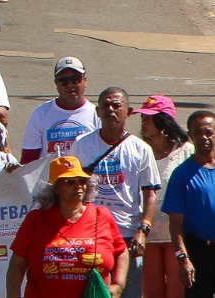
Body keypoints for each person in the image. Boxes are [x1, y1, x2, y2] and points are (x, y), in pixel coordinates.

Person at [73, 87, 164, 284]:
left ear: (129, 112)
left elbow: (150, 195)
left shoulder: (141, 149)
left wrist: (143, 231)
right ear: (97, 112)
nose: (110, 110)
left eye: (116, 105)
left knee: (127, 290)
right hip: (90, 233)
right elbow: (69, 188)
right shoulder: (81, 145)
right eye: (105, 105)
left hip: (127, 235)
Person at [10, 155, 130, 298]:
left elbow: (121, 252)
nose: (78, 186)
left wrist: (118, 285)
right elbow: (17, 265)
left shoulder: (102, 215)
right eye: (70, 182)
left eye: (82, 181)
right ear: (55, 188)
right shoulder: (36, 219)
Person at [164, 109, 215, 298]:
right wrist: (183, 258)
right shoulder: (181, 175)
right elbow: (176, 222)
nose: (204, 137)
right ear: (190, 136)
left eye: (209, 132)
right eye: (198, 133)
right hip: (199, 255)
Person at [137, 96, 193, 298]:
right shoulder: (139, 149)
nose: (144, 122)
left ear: (165, 122)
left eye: (150, 118)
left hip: (175, 233)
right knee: (151, 292)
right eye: (143, 117)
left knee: (177, 291)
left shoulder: (185, 150)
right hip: (147, 233)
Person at [23, 56, 101, 163]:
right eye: (63, 81)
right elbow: (28, 159)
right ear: (56, 84)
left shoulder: (97, 114)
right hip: (49, 179)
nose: (70, 85)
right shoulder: (40, 114)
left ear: (85, 81)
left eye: (75, 79)